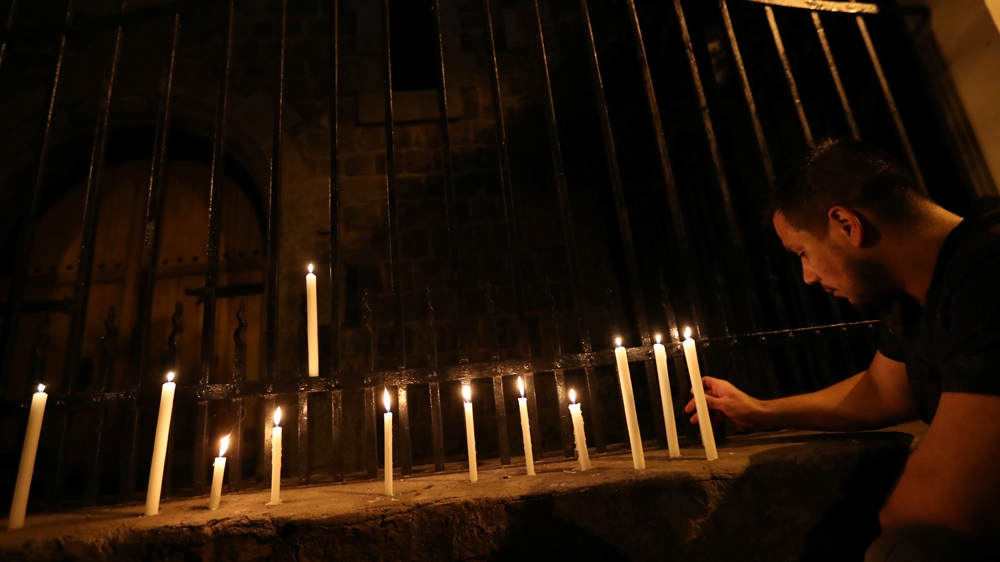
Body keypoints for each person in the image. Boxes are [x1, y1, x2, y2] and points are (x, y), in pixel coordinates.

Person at [685, 139, 1000, 561]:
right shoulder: (913, 296)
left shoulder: (989, 271)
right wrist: (761, 411)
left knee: (904, 550)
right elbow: (882, 390)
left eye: (802, 253)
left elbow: (946, 505)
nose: (808, 277)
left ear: (846, 224)